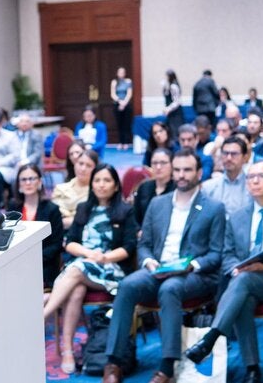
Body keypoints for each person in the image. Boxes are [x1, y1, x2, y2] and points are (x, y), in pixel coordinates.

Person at [102, 149, 226, 383]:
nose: (181, 175)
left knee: (170, 289)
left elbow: (216, 254)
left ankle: (167, 367)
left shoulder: (213, 207)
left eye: (187, 170)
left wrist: (190, 266)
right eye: (177, 169)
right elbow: (145, 244)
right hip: (158, 269)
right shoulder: (158, 203)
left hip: (194, 274)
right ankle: (113, 362)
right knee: (127, 285)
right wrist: (149, 261)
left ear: (199, 173)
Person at [186, 161, 263, 383]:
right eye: (250, 177)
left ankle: (210, 338)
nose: (254, 181)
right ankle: (252, 368)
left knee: (243, 282)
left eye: (261, 176)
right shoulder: (237, 217)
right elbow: (228, 255)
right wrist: (235, 269)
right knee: (243, 296)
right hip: (243, 282)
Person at [43, 164, 137, 374]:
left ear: (116, 186)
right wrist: (88, 254)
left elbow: (129, 246)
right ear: (92, 184)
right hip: (84, 267)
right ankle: (68, 350)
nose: (101, 185)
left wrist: (104, 257)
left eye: (107, 180)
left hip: (112, 269)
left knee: (75, 270)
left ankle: (43, 314)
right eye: (97, 180)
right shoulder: (84, 208)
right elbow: (70, 243)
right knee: (76, 290)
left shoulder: (125, 211)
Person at [8, 164, 64, 288]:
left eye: (32, 178)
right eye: (24, 179)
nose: (28, 183)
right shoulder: (13, 206)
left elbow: (56, 244)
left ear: (40, 181)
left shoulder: (52, 209)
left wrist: (32, 258)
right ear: (18, 184)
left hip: (44, 263)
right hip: (16, 261)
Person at [201, 136, 252, 216]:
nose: (229, 158)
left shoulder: (252, 187)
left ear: (245, 157)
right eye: (225, 153)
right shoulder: (208, 187)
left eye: (234, 154)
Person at [52, 150, 99, 229]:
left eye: (88, 166)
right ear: (74, 164)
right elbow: (53, 217)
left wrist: (66, 217)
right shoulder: (60, 188)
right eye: (80, 163)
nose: (83, 169)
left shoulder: (97, 192)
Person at [133, 148, 176, 226]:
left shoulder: (178, 189)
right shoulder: (144, 187)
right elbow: (136, 216)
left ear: (172, 165)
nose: (158, 167)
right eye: (154, 163)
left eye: (163, 163)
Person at [110, 67, 133, 150]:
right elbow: (113, 94)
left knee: (126, 124)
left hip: (126, 104)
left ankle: (126, 142)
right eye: (120, 72)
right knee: (119, 124)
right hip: (117, 104)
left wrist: (124, 103)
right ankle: (120, 142)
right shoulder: (114, 82)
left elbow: (129, 93)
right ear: (117, 73)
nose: (121, 74)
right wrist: (120, 102)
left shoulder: (128, 81)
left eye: (123, 72)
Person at [161, 69, 184, 137]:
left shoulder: (174, 86)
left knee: (175, 129)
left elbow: (177, 101)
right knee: (170, 129)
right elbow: (166, 95)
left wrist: (168, 109)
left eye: (167, 76)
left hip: (176, 112)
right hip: (171, 112)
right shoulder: (169, 85)